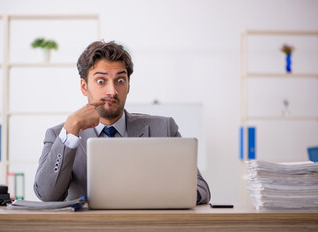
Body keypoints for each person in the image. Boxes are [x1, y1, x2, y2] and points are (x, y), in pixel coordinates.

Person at [33, 41, 211, 204]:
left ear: (128, 85)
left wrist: (164, 197)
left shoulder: (164, 128)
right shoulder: (59, 135)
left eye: (120, 80)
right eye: (101, 81)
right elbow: (47, 195)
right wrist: (71, 129)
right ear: (84, 86)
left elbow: (201, 189)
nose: (112, 91)